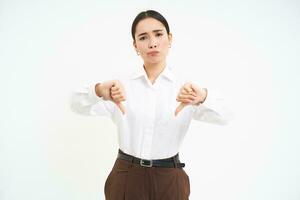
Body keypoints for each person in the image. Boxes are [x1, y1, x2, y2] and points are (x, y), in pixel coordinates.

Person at [70, 10, 233, 200]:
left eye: (158, 34)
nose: (152, 43)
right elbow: (75, 104)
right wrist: (98, 91)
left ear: (170, 38)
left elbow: (227, 116)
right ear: (135, 45)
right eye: (143, 37)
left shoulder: (187, 89)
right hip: (127, 177)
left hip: (170, 178)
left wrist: (203, 96)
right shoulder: (119, 87)